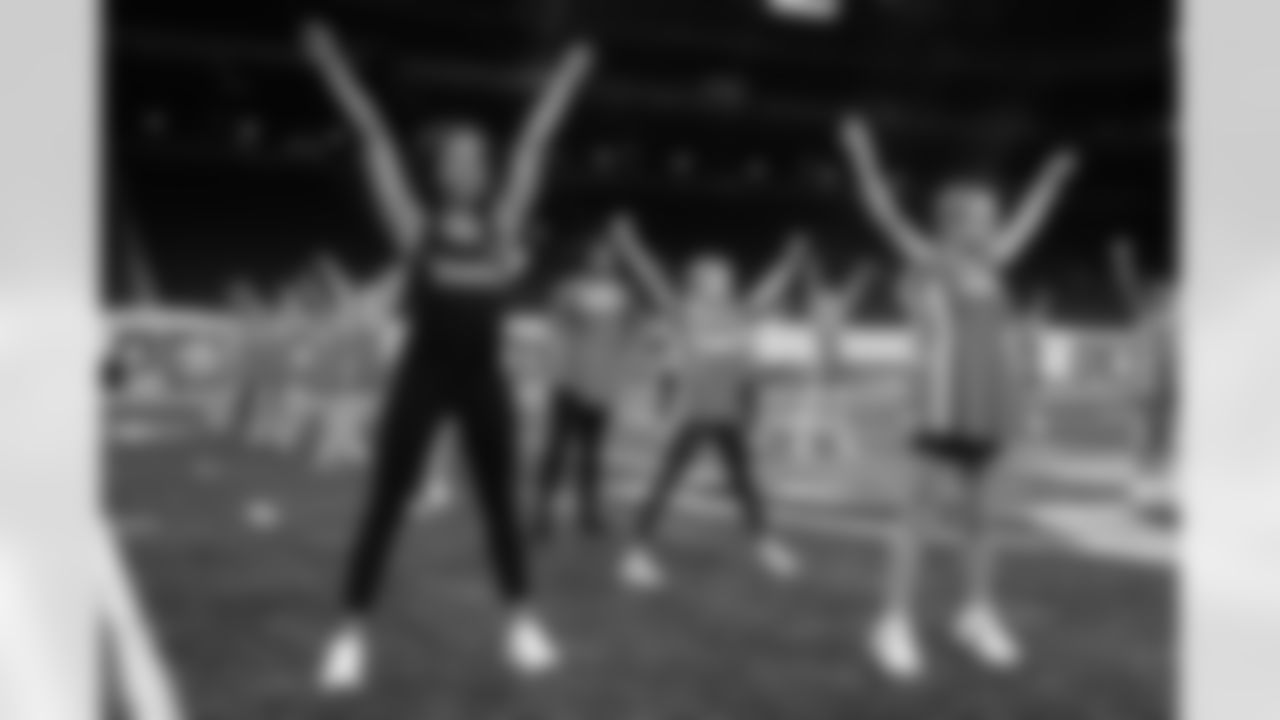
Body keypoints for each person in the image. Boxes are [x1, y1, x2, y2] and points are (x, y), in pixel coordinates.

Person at [301, 18, 593, 689]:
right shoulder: (416, 227)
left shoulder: (502, 227)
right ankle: (350, 633)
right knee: (385, 502)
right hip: (424, 377)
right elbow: (373, 135)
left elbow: (535, 144)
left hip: (484, 380)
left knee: (499, 506)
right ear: (438, 170)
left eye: (480, 156)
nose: (474, 163)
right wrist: (333, 72)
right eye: (460, 155)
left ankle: (521, 620)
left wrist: (569, 79)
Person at [838, 114, 1079, 681]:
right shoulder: (930, 259)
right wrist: (862, 154)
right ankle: (892, 622)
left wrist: (1049, 178)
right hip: (938, 406)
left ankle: (976, 611)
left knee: (982, 520)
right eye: (982, 217)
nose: (993, 225)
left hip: (990, 407)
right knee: (915, 519)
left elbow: (1031, 221)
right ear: (953, 223)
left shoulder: (994, 266)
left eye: (994, 217)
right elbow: (883, 212)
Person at [610, 222, 809, 592]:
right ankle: (636, 553)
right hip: (695, 415)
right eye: (716, 275)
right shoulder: (684, 311)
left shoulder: (740, 311)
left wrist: (789, 261)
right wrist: (632, 247)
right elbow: (653, 279)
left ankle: (765, 543)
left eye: (726, 275)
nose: (725, 279)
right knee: (665, 482)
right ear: (699, 280)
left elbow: (770, 288)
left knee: (746, 483)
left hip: (729, 416)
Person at [528, 215, 639, 541]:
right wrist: (553, 371)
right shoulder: (567, 289)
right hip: (570, 384)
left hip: (602, 388)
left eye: (609, 257)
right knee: (556, 451)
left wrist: (620, 378)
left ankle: (588, 512)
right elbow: (555, 329)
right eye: (598, 256)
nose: (603, 262)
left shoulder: (624, 296)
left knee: (592, 455)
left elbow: (628, 337)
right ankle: (541, 512)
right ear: (587, 259)